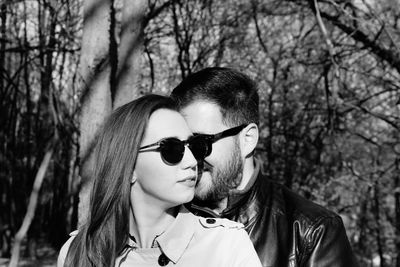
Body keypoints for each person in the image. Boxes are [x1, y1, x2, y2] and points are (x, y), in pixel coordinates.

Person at [171, 67, 359, 267]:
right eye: (178, 146)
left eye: (200, 144)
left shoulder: (313, 232)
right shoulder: (162, 217)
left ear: (248, 139)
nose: (189, 159)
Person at [57, 94, 262, 267]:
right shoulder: (79, 251)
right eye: (172, 149)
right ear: (128, 166)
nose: (192, 162)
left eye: (194, 147)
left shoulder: (226, 246)